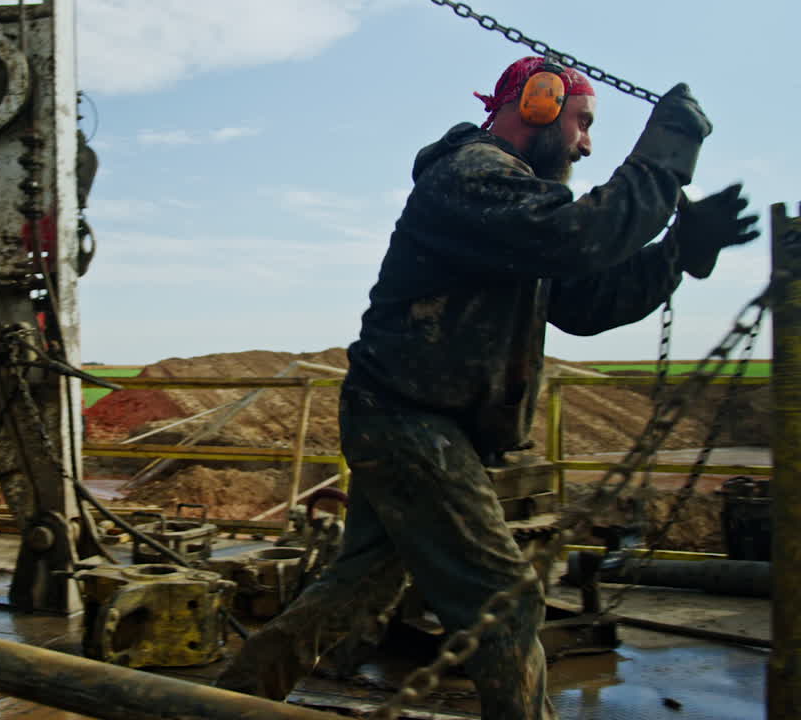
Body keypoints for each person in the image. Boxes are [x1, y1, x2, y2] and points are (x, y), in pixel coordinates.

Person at [214, 57, 759, 719]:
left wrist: (676, 253)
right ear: (538, 102)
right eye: (583, 123)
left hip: (423, 424)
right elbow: (579, 236)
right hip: (407, 419)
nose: (588, 144)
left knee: (352, 593)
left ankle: (217, 706)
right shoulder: (472, 175)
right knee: (506, 597)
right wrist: (666, 156)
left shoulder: (519, 206)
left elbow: (585, 302)